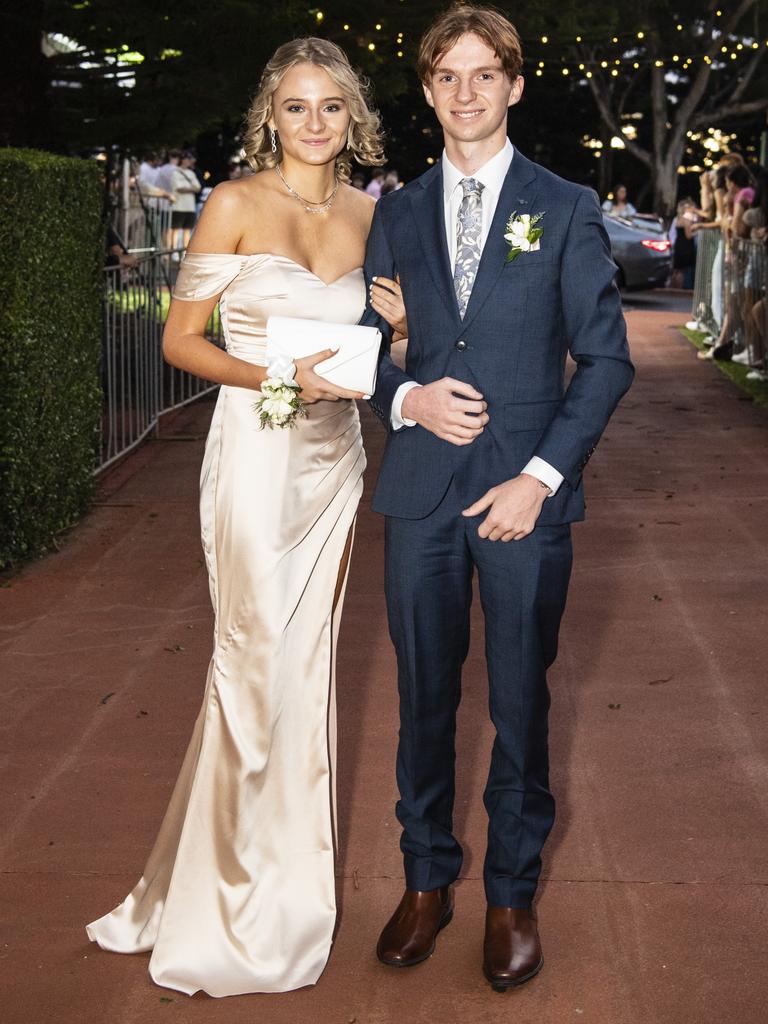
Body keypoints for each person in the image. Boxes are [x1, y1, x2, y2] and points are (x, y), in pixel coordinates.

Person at [86, 36, 392, 998]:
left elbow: (377, 343)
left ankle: (286, 898)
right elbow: (182, 342)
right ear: (272, 114)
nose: (314, 123)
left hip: (336, 465)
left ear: (354, 118)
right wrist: (275, 375)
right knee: (249, 666)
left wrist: (398, 328)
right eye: (296, 105)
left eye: (330, 106)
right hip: (257, 461)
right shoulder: (232, 202)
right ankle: (222, 900)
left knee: (307, 676)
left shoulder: (372, 214)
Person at [363, 3, 633, 991]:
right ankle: (427, 878)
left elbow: (604, 362)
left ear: (515, 86)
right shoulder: (392, 213)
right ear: (428, 91)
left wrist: (541, 476)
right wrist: (405, 393)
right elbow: (363, 346)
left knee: (520, 701)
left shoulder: (563, 205)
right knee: (423, 697)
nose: (466, 92)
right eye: (447, 76)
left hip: (525, 492)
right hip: (423, 492)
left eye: (486, 75)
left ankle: (512, 893)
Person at [169, 150, 202, 250]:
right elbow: (179, 188)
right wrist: (191, 188)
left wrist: (188, 188)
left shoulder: (191, 173)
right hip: (179, 205)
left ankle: (184, 251)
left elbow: (198, 187)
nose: (189, 161)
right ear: (182, 160)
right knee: (175, 229)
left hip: (190, 207)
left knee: (187, 230)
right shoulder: (175, 172)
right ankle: (173, 251)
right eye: (187, 159)